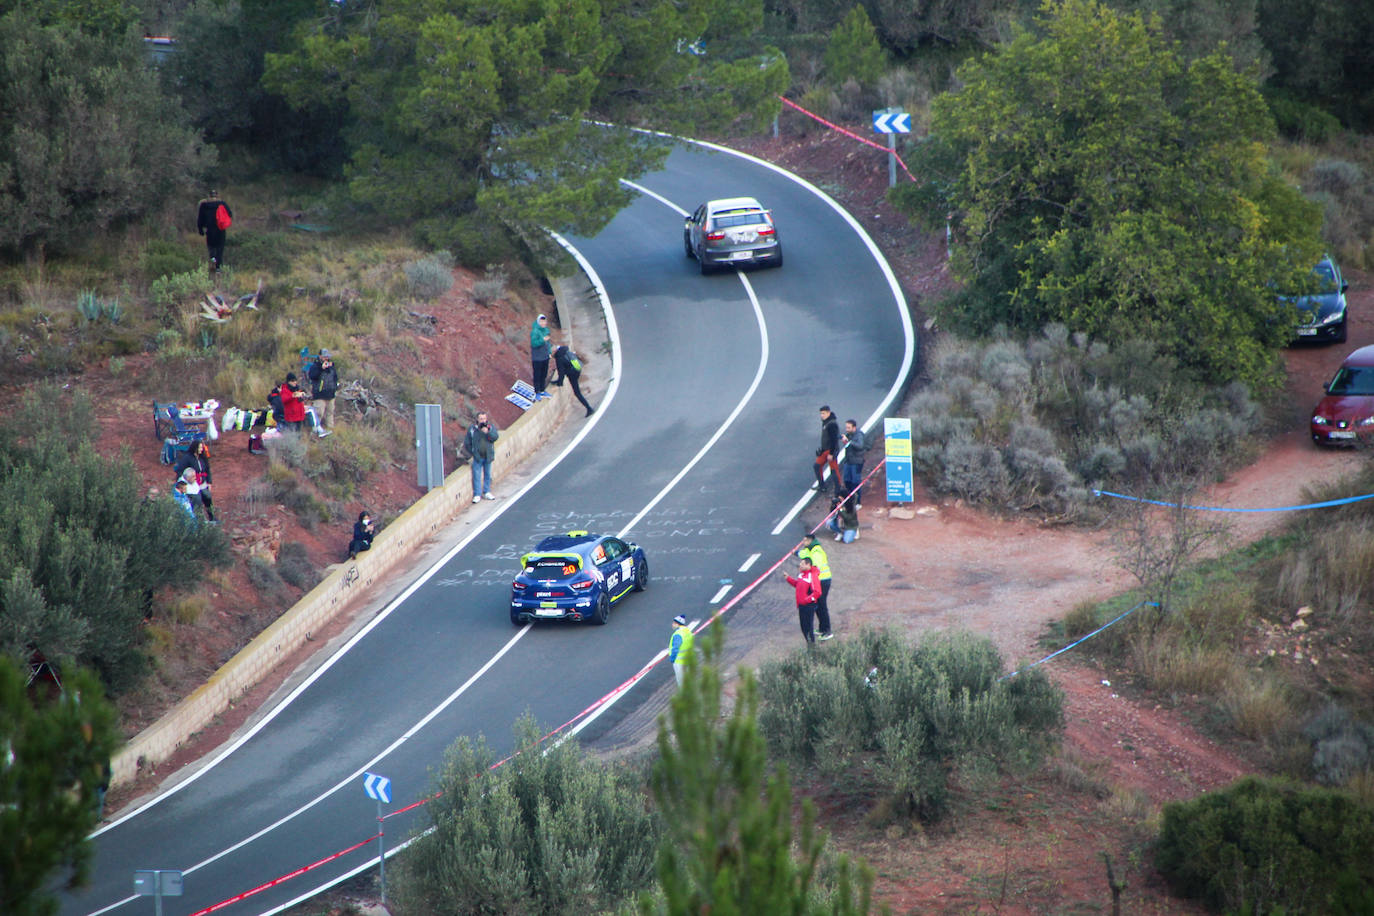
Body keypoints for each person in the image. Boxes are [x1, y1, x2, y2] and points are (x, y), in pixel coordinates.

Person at [797, 535, 834, 640]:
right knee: (817, 605)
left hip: (823, 580)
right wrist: (795, 553)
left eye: (804, 540)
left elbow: (815, 566)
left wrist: (805, 570)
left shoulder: (816, 552)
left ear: (810, 541)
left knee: (821, 606)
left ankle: (827, 631)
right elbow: (803, 554)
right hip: (818, 580)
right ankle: (822, 628)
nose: (803, 542)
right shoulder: (810, 549)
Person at [785, 556, 823, 644]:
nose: (800, 565)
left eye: (802, 564)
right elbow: (797, 585)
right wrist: (788, 579)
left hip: (808, 606)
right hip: (801, 605)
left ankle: (812, 648)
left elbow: (817, 592)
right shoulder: (801, 574)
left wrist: (806, 600)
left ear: (808, 565)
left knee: (808, 627)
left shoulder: (812, 576)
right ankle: (810, 645)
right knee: (804, 627)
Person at [175, 440, 215, 522]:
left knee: (208, 498)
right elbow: (180, 470)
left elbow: (207, 469)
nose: (201, 449)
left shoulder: (202, 457)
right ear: (195, 448)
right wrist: (183, 484)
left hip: (202, 483)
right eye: (199, 448)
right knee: (197, 501)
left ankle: (211, 516)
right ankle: (199, 520)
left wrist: (209, 482)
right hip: (192, 484)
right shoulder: (187, 458)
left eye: (202, 447)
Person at [464, 411, 500, 502]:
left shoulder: (490, 427)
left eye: (484, 418)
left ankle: (487, 491)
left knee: (487, 474)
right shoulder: (472, 429)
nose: (483, 420)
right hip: (478, 457)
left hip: (488, 455)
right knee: (477, 475)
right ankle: (477, 494)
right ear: (477, 419)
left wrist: (487, 432)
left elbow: (495, 437)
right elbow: (467, 443)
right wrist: (473, 452)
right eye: (481, 419)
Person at [196, 189, 232, 277]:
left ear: (209, 196)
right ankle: (218, 268)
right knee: (220, 249)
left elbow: (200, 219)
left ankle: (213, 260)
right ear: (217, 195)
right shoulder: (222, 204)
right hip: (220, 230)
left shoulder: (204, 205)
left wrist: (200, 229)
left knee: (211, 248)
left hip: (210, 230)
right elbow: (230, 214)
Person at [551, 343, 594, 416]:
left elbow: (561, 373)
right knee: (576, 389)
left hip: (572, 374)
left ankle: (589, 409)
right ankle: (588, 408)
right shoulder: (565, 351)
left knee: (577, 392)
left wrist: (559, 383)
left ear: (554, 352)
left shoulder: (559, 358)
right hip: (577, 370)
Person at [308, 349, 340, 433]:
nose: (326, 358)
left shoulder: (331, 366)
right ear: (320, 356)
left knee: (330, 413)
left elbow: (335, 377)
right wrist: (321, 368)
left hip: (331, 394)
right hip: (320, 395)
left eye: (327, 357)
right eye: (325, 356)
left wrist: (335, 386)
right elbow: (312, 376)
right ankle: (315, 431)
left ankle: (330, 430)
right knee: (318, 413)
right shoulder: (315, 366)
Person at [813, 405, 841, 495]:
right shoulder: (825, 422)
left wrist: (832, 453)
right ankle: (822, 486)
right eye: (821, 413)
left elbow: (834, 440)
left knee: (834, 470)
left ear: (828, 413)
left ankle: (838, 490)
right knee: (817, 466)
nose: (822, 415)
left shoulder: (832, 424)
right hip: (825, 450)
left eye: (823, 413)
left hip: (831, 451)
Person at [840, 419, 867, 507]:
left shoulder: (859, 435)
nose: (846, 429)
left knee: (855, 482)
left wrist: (849, 442)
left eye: (848, 427)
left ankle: (858, 502)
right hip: (848, 461)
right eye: (846, 427)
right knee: (847, 480)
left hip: (856, 462)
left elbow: (860, 446)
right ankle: (850, 499)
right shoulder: (849, 434)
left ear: (854, 427)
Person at [530, 313, 552, 401]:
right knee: (537, 375)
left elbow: (548, 343)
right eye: (541, 321)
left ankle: (543, 390)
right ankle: (537, 392)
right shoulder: (535, 331)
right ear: (538, 322)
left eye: (544, 321)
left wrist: (549, 352)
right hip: (537, 358)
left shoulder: (546, 330)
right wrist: (542, 340)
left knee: (544, 374)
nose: (543, 323)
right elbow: (534, 344)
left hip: (545, 356)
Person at [668, 614, 694, 688]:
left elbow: (675, 648)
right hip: (688, 659)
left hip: (679, 661)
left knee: (681, 683)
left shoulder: (678, 634)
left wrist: (672, 658)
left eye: (673, 623)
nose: (672, 625)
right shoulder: (687, 631)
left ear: (677, 624)